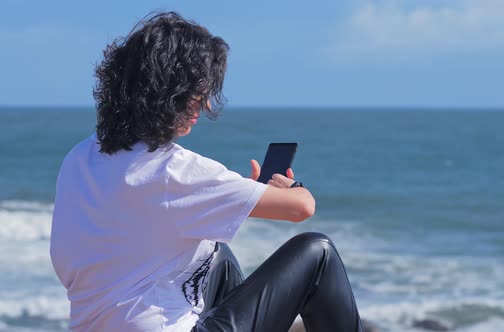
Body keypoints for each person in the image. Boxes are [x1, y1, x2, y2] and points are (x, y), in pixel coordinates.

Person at [50, 11, 364, 332]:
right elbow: (302, 208)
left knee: (216, 255)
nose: (206, 105)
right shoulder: (174, 169)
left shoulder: (81, 156)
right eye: (199, 93)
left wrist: (240, 194)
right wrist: (294, 186)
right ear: (170, 93)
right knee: (317, 252)